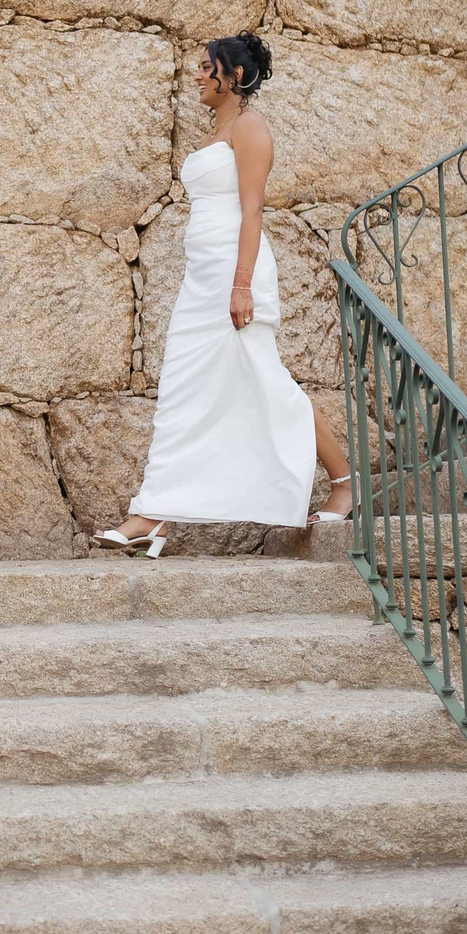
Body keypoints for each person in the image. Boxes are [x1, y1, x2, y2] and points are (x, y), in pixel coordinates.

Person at [95, 31, 355, 558]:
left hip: (237, 274)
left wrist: (241, 286)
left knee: (264, 377)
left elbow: (252, 210)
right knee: (184, 388)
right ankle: (160, 515)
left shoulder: (251, 127)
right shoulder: (219, 128)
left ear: (232, 75)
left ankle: (346, 482)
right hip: (204, 274)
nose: (196, 75)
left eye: (205, 67)